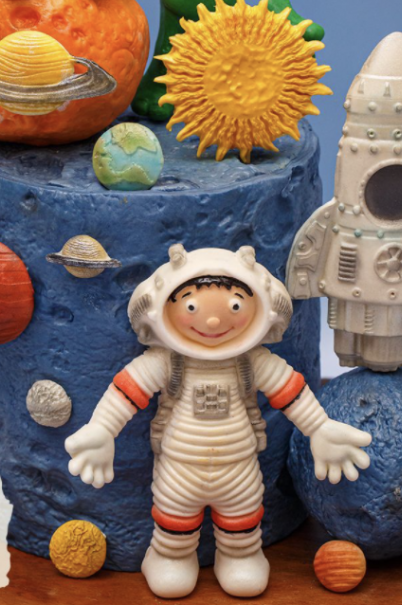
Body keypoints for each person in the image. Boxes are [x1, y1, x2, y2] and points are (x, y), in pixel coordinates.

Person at [66, 244, 371, 598]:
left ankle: (241, 555)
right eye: (191, 308)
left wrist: (319, 428)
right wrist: (103, 429)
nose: (212, 322)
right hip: (179, 467)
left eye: (235, 307)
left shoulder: (251, 361)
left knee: (243, 518)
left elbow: (291, 391)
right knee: (174, 518)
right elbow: (126, 391)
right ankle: (169, 556)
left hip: (238, 465)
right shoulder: (168, 361)